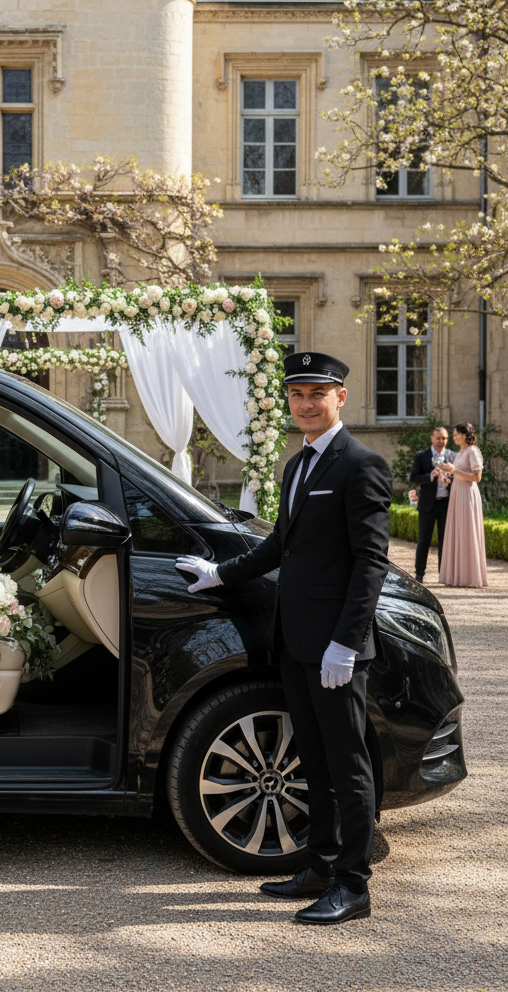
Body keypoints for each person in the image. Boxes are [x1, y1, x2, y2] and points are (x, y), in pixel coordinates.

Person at [176, 351, 391, 926]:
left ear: (340, 397)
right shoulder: (298, 466)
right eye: (297, 394)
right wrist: (218, 573)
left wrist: (346, 643)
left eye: (317, 394)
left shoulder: (361, 464)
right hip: (296, 642)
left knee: (348, 766)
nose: (306, 404)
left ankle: (353, 884)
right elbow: (280, 546)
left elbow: (371, 562)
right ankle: (319, 865)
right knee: (313, 759)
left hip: (335, 650)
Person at [438, 423, 488, 588]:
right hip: (457, 494)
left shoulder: (473, 451)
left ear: (465, 435)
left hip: (467, 495)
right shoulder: (461, 452)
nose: (454, 437)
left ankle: (470, 576)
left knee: (467, 531)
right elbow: (458, 473)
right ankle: (458, 575)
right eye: (452, 435)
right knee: (458, 531)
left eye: (456, 434)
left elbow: (477, 477)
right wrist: (447, 473)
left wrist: (454, 471)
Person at [409, 426, 455, 582]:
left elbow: (459, 478)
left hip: (445, 504)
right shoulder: (422, 455)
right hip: (428, 504)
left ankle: (444, 575)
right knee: (424, 540)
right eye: (439, 438)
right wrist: (429, 475)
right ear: (432, 438)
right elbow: (414, 477)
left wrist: (451, 480)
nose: (441, 441)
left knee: (445, 541)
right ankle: (419, 574)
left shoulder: (452, 456)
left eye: (445, 438)